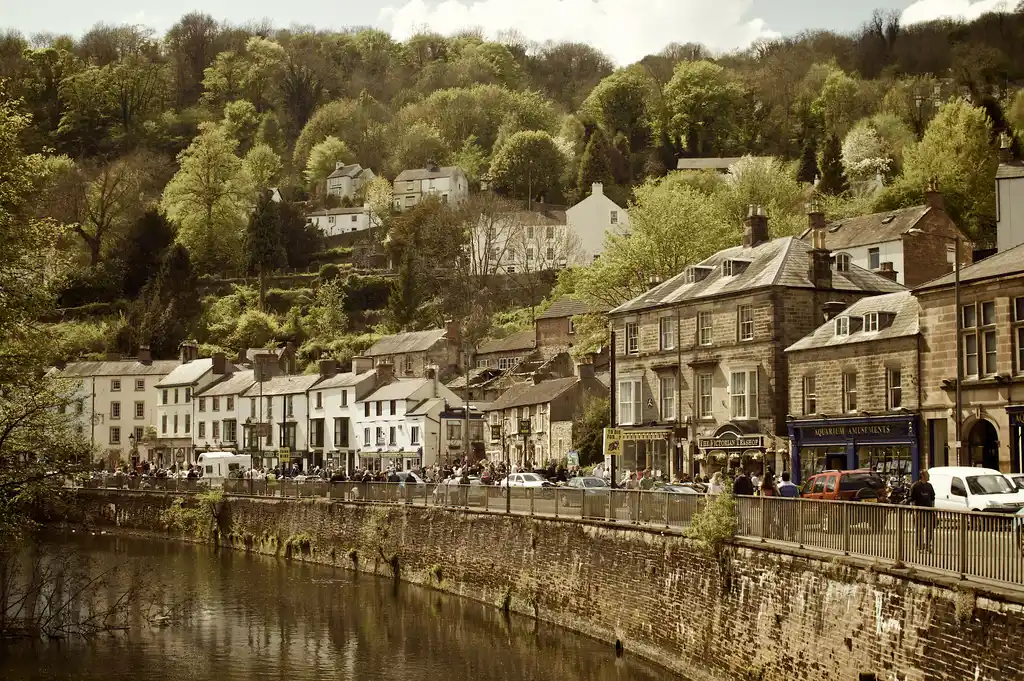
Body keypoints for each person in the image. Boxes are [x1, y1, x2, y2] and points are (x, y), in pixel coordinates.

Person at [910, 470, 936, 551]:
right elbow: (912, 499)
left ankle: (928, 545)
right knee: (919, 530)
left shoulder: (929, 486)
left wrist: (933, 509)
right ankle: (919, 545)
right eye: (927, 474)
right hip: (919, 511)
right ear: (922, 475)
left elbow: (932, 498)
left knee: (929, 530)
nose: (929, 476)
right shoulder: (915, 486)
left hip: (929, 511)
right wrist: (914, 511)